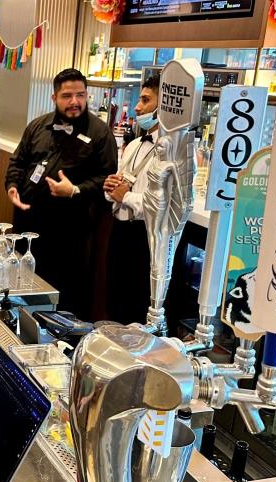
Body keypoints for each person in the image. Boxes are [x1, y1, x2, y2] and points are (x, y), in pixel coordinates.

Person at [5, 69, 117, 319]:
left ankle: (60, 344)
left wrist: (75, 190)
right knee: (23, 284)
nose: (75, 101)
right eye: (67, 95)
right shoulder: (37, 126)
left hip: (70, 232)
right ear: (54, 97)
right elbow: (18, 161)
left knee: (64, 295)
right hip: (28, 222)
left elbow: (107, 180)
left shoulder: (100, 134)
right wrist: (12, 185)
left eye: (80, 94)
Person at [103, 75, 160, 324]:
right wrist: (110, 188)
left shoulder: (172, 153)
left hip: (144, 237)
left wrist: (126, 196)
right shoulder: (134, 144)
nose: (138, 107)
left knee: (135, 309)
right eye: (139, 99)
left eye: (146, 100)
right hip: (119, 231)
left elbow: (161, 205)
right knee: (112, 301)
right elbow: (119, 185)